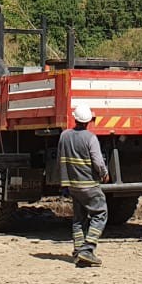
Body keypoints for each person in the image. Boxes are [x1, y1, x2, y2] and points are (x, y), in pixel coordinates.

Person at [58, 103, 110, 267]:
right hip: (89, 184)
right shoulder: (90, 138)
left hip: (73, 185)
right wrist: (104, 174)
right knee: (100, 213)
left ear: (75, 119)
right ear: (88, 121)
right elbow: (98, 161)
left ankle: (78, 251)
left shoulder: (64, 136)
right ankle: (87, 249)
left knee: (79, 219)